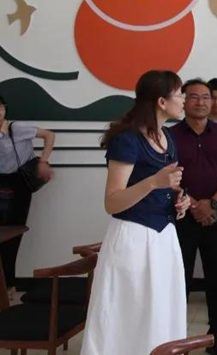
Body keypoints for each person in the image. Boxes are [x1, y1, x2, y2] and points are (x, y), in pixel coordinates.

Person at [81, 70, 191, 355]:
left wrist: (181, 199)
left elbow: (168, 186)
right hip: (133, 237)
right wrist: (154, 182)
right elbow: (112, 201)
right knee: (127, 313)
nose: (184, 100)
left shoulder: (168, 136)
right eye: (179, 94)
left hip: (165, 237)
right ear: (161, 102)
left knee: (162, 309)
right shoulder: (127, 140)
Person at [170, 79, 217, 355]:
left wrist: (212, 203)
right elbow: (166, 175)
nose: (201, 102)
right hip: (180, 213)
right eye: (194, 97)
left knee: (216, 279)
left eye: (206, 97)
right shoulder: (169, 135)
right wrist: (193, 204)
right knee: (179, 279)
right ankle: (174, 337)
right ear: (183, 101)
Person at [0, 92, 55, 312]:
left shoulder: (17, 128)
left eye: (0, 106)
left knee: (12, 236)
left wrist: (43, 161)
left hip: (20, 184)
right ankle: (7, 286)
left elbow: (49, 135)